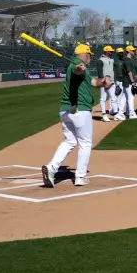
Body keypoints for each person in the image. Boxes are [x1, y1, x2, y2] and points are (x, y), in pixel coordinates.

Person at [42, 43, 95, 187]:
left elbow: (93, 82)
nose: (90, 58)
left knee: (70, 141)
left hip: (66, 110)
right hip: (79, 109)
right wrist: (79, 69)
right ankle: (80, 176)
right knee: (85, 143)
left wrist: (104, 82)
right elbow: (77, 71)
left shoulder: (81, 67)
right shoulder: (76, 65)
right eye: (89, 55)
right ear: (85, 55)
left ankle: (52, 167)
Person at [97, 45, 116, 121]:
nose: (112, 52)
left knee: (113, 98)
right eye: (110, 51)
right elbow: (99, 73)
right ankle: (104, 115)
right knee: (103, 99)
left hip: (112, 81)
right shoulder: (100, 60)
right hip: (103, 82)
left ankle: (115, 113)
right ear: (106, 51)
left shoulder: (112, 59)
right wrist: (103, 81)